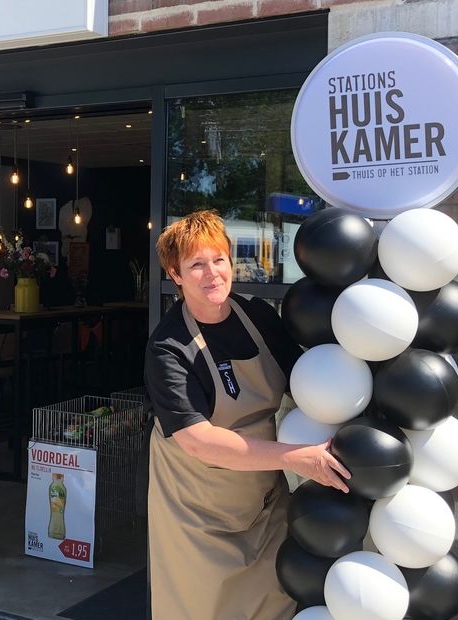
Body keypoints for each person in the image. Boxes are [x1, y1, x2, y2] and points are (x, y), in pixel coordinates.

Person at [144, 211, 350, 620]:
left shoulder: (258, 318)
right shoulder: (169, 348)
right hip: (196, 514)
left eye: (219, 259)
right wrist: (294, 455)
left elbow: (304, 383)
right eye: (196, 265)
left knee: (275, 601)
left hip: (262, 501)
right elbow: (198, 441)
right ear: (175, 274)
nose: (212, 274)